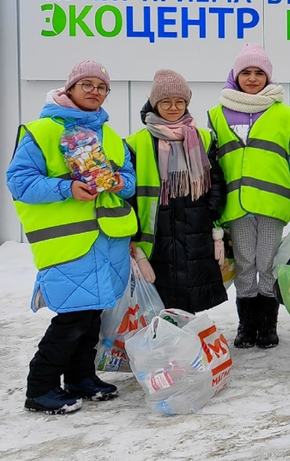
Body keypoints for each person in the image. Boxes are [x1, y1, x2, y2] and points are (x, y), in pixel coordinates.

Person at [7, 60, 137, 414]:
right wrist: (67, 188)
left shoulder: (110, 135)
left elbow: (129, 179)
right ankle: (40, 387)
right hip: (69, 242)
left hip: (106, 240)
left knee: (92, 315)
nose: (95, 91)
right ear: (70, 88)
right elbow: (19, 182)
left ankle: (81, 377)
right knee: (72, 319)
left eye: (102, 87)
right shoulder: (41, 131)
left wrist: (120, 182)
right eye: (87, 85)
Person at [209, 43, 290, 350]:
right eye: (246, 72)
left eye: (259, 73)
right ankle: (247, 326)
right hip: (236, 205)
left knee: (267, 263)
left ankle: (268, 325)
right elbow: (211, 162)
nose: (252, 78)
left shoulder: (286, 114)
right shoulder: (216, 114)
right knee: (245, 264)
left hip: (272, 204)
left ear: (268, 76)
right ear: (236, 76)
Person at [126, 69, 227, 314]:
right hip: (156, 233)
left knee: (191, 297)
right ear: (155, 104)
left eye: (179, 102)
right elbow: (129, 194)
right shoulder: (136, 142)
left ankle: (186, 334)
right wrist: (133, 238)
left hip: (195, 230)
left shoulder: (203, 138)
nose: (174, 107)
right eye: (166, 102)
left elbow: (216, 180)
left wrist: (210, 214)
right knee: (160, 300)